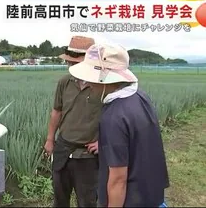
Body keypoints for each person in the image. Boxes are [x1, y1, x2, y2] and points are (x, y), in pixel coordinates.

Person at [68, 43, 170, 207]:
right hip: (151, 194)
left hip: (131, 200)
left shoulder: (113, 117)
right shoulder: (140, 97)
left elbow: (118, 180)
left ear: (104, 79)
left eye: (91, 79)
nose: (88, 84)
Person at [44, 36, 103, 207]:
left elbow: (114, 117)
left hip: (88, 155)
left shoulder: (102, 85)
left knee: (87, 201)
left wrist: (103, 142)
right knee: (60, 198)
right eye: (70, 62)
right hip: (63, 149)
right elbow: (57, 111)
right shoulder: (65, 82)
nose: (71, 66)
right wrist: (50, 139)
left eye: (76, 62)